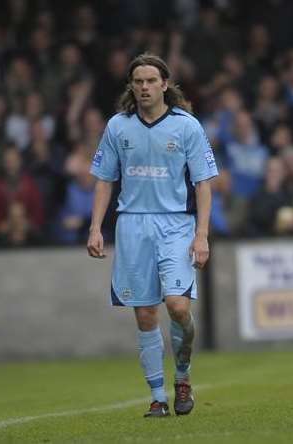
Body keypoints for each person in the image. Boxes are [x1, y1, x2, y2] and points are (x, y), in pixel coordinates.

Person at [86, 54, 218, 418]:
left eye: (150, 81)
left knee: (177, 306)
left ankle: (183, 373)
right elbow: (104, 180)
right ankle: (158, 396)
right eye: (138, 81)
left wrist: (202, 234)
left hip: (176, 223)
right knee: (145, 314)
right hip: (132, 225)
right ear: (132, 86)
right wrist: (96, 227)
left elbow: (204, 183)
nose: (144, 87)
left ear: (164, 85)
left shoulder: (186, 126)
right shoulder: (118, 126)